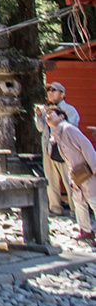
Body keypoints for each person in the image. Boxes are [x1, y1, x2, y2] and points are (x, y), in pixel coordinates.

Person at [45, 104, 95, 243]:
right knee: (79, 202)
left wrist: (94, 167)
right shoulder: (56, 133)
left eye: (52, 114)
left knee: (94, 201)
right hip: (75, 172)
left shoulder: (69, 129)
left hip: (86, 169)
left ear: (61, 117)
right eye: (47, 115)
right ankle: (86, 230)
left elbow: (86, 146)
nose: (48, 116)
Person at [38, 81, 80, 216]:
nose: (50, 93)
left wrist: (54, 118)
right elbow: (40, 129)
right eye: (49, 90)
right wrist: (39, 115)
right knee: (51, 181)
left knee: (70, 182)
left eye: (54, 90)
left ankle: (76, 210)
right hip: (48, 150)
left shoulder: (70, 110)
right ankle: (55, 208)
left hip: (65, 150)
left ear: (63, 94)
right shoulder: (46, 110)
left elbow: (70, 128)